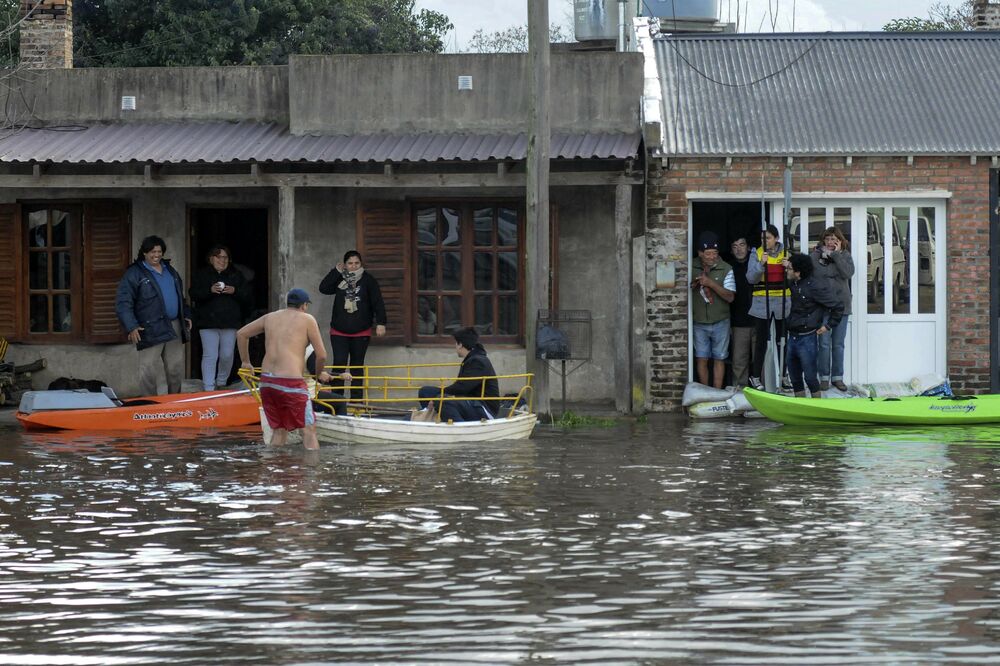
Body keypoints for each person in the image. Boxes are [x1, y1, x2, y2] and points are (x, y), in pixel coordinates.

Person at [237, 289, 342, 450]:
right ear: (304, 305)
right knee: (309, 430)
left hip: (267, 383)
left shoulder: (270, 317)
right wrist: (317, 373)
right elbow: (321, 355)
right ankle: (313, 473)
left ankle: (273, 469)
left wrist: (246, 362)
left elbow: (242, 334)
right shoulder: (307, 319)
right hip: (291, 383)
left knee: (279, 431)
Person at [115, 235, 191, 396]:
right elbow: (123, 302)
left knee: (175, 368)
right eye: (152, 252)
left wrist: (187, 315)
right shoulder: (134, 273)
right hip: (149, 326)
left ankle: (175, 401)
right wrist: (131, 326)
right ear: (144, 253)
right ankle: (149, 405)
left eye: (159, 251)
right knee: (148, 368)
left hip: (174, 324)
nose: (156, 255)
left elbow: (180, 297)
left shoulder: (170, 270)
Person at [318, 250, 387, 404]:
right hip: (339, 331)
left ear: (361, 264)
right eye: (350, 263)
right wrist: (336, 271)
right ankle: (337, 401)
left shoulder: (368, 280)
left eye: (356, 263)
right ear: (345, 264)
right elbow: (323, 288)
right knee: (339, 365)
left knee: (357, 367)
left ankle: (357, 402)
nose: (354, 266)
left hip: (361, 331)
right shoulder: (339, 278)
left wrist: (381, 323)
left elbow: (378, 302)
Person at [189, 245, 251, 391]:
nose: (222, 260)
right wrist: (209, 290)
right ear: (211, 259)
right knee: (210, 355)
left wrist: (235, 291)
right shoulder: (202, 274)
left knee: (227, 355)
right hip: (207, 322)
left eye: (225, 257)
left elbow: (248, 296)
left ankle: (221, 382)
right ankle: (209, 387)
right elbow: (193, 293)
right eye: (218, 257)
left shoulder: (235, 275)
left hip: (230, 322)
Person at [783, 254, 844, 398]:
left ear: (798, 272)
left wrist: (828, 326)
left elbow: (837, 306)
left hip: (807, 338)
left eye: (790, 269)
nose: (787, 271)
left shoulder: (814, 286)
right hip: (793, 336)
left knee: (810, 377)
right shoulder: (793, 283)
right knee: (795, 378)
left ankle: (816, 404)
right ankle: (801, 405)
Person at [417, 327, 500, 422]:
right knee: (425, 391)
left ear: (460, 344)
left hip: (484, 408)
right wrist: (440, 394)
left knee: (442, 401)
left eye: (456, 343)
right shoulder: (472, 359)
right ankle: (433, 417)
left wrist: (441, 395)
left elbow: (463, 387)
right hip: (471, 402)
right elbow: (461, 388)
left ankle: (461, 429)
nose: (455, 346)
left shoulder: (478, 361)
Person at [746, 224, 791, 390]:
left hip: (782, 301)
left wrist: (789, 268)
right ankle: (756, 377)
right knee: (761, 342)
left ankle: (784, 376)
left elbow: (794, 278)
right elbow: (750, 278)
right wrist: (760, 265)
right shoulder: (756, 254)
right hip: (761, 302)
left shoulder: (786, 253)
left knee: (782, 341)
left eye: (769, 238)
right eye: (763, 238)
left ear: (776, 239)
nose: (765, 241)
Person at [810, 227, 854, 392]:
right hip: (822, 306)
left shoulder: (845, 256)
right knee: (824, 344)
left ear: (840, 241)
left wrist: (836, 255)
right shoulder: (815, 256)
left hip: (841, 306)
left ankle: (838, 377)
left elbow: (848, 273)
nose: (830, 242)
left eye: (834, 239)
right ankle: (824, 377)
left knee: (838, 344)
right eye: (827, 239)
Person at [690, 231, 735, 388]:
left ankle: (716, 393)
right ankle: (704, 392)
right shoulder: (690, 266)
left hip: (721, 321)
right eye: (707, 253)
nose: (711, 257)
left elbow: (730, 297)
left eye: (714, 253)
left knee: (719, 358)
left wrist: (710, 283)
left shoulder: (726, 268)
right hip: (698, 321)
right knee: (701, 358)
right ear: (700, 253)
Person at [728, 234, 756, 388]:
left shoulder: (757, 267)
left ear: (749, 247)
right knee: (739, 361)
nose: (738, 249)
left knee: (761, 360)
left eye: (742, 244)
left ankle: (764, 393)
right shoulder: (729, 268)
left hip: (759, 320)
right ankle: (740, 393)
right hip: (738, 322)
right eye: (734, 246)